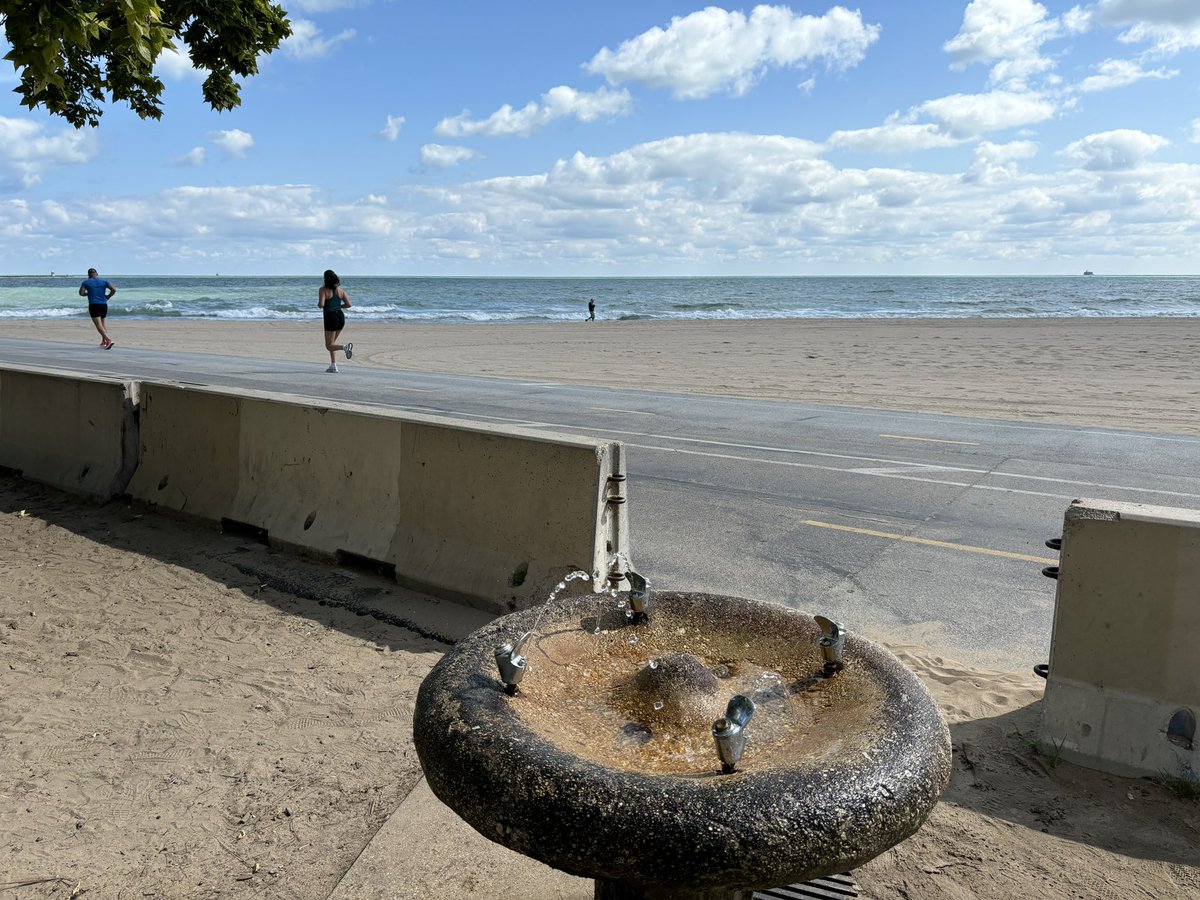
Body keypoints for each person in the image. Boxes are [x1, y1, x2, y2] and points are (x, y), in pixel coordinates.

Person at [318, 269, 353, 373]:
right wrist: (339, 306)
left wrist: (319, 304)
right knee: (332, 344)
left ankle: (345, 347)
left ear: (325, 279)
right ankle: (333, 366)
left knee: (329, 345)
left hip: (331, 317)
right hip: (340, 317)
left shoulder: (323, 289)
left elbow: (321, 305)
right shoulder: (340, 291)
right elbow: (349, 304)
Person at [79, 267, 116, 348]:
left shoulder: (86, 282)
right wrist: (108, 296)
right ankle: (104, 342)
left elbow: (81, 293)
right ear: (97, 274)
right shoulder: (104, 282)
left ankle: (108, 340)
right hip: (104, 305)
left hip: (94, 305)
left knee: (98, 325)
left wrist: (88, 293)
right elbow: (113, 289)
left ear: (88, 275)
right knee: (102, 323)